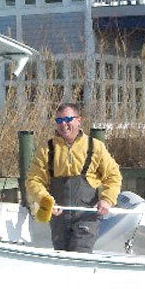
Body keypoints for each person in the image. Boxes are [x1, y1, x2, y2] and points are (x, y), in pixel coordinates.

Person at [25, 103, 122, 253]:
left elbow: (113, 176)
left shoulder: (95, 147)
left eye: (68, 119)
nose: (63, 124)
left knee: (79, 254)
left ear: (79, 120)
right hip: (58, 218)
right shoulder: (46, 149)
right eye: (59, 121)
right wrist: (45, 199)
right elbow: (33, 180)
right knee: (62, 257)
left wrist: (107, 199)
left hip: (87, 216)